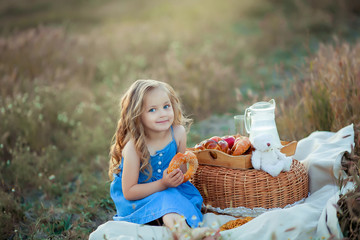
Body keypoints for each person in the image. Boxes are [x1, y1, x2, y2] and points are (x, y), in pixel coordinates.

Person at [108, 80, 219, 239]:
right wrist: (162, 184)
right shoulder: (134, 147)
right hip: (139, 199)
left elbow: (180, 172)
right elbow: (129, 192)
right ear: (137, 115)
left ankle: (195, 229)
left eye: (166, 106)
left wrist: (174, 178)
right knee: (166, 198)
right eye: (152, 110)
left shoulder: (178, 133)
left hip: (169, 188)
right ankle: (184, 233)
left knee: (175, 197)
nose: (162, 114)